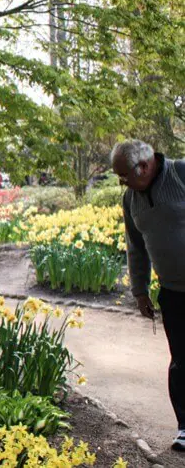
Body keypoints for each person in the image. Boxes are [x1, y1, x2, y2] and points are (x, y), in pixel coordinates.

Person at [112, 139, 185, 452]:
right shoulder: (131, 199)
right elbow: (135, 247)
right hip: (173, 292)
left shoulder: (181, 174)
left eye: (124, 176)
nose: (122, 182)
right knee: (181, 361)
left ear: (143, 166)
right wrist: (139, 290)